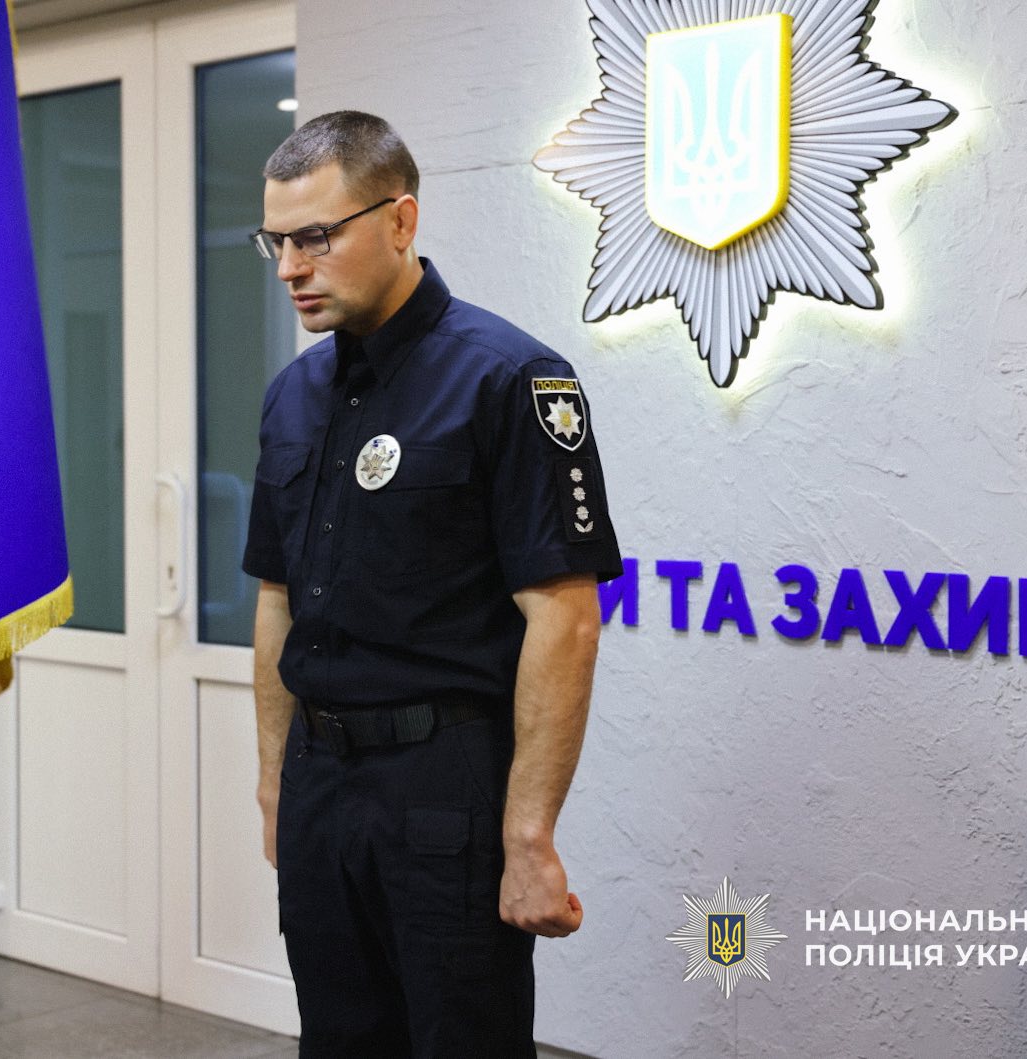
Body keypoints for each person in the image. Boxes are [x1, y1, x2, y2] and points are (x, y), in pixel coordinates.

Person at [242, 111, 622, 1057]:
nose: (289, 267)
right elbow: (276, 601)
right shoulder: (292, 396)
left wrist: (528, 836)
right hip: (320, 782)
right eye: (275, 241)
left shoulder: (509, 379)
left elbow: (565, 621)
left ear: (400, 221)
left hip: (441, 788)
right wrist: (272, 783)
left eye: (314, 236)